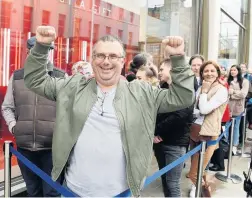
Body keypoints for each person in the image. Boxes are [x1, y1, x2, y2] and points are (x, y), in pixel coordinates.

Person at [24, 26, 195, 197]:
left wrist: (178, 58)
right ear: (92, 60)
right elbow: (35, 80)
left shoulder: (142, 93)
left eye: (113, 56)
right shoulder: (73, 88)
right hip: (73, 192)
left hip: (121, 193)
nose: (106, 61)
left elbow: (183, 97)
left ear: (122, 61)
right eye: (100, 55)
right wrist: (41, 47)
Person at [1, 36, 65, 197]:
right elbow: (7, 107)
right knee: (33, 192)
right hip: (24, 148)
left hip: (52, 149)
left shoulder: (60, 77)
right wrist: (14, 127)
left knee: (52, 193)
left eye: (44, 51)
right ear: (29, 53)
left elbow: (69, 111)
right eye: (35, 52)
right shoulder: (17, 77)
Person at [153, 59, 194, 197]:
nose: (159, 73)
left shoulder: (185, 91)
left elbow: (179, 116)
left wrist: (157, 131)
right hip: (160, 142)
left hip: (175, 143)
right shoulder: (163, 88)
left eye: (161, 69)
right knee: (165, 179)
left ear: (171, 70)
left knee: (173, 183)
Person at [189, 61, 228, 197]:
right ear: (201, 73)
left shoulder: (221, 90)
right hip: (195, 132)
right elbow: (194, 110)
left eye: (212, 71)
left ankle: (205, 193)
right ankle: (200, 188)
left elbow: (204, 109)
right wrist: (202, 95)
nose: (209, 73)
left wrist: (205, 92)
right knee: (200, 169)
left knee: (193, 174)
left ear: (218, 73)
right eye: (206, 71)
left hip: (208, 135)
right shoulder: (200, 88)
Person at [227, 65, 249, 155]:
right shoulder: (228, 80)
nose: (232, 71)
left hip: (238, 107)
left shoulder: (244, 81)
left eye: (234, 70)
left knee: (236, 127)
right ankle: (226, 144)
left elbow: (243, 94)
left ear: (238, 71)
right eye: (231, 70)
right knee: (226, 127)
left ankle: (234, 145)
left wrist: (232, 93)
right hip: (227, 107)